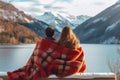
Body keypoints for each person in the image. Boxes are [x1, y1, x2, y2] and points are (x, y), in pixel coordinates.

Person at [7, 26, 86, 80]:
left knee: (52, 64)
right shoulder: (76, 44)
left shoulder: (51, 44)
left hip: (55, 68)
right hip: (73, 67)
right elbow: (80, 56)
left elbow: (37, 57)